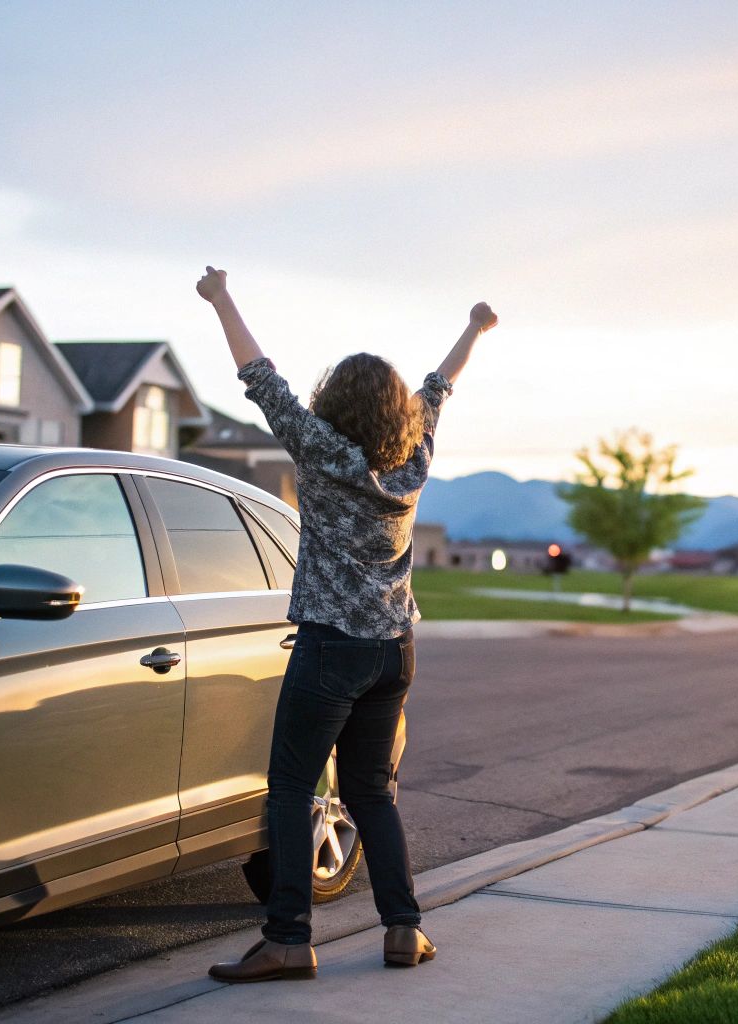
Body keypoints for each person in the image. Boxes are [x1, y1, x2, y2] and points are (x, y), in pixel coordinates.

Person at [194, 265, 497, 983]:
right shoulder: (415, 453)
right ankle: (403, 931)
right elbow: (440, 384)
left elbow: (257, 374)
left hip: (332, 647)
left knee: (293, 789)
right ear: (397, 411)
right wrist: (475, 328)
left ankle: (289, 939)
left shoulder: (319, 449)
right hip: (395, 650)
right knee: (371, 794)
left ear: (332, 400)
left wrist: (221, 298)